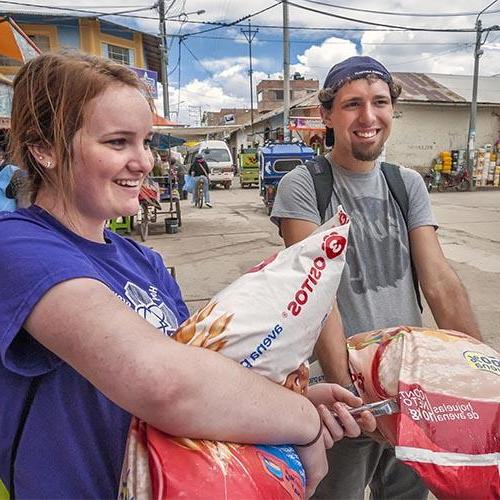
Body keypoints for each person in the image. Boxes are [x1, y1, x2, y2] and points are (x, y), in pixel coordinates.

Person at [0, 52, 377, 499]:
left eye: (145, 142)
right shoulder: (17, 246)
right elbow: (165, 384)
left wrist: (291, 401)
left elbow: (205, 373)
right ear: (44, 148)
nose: (143, 162)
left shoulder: (144, 262)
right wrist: (304, 423)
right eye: (118, 142)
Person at [271, 56, 481, 500]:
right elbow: (316, 294)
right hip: (343, 396)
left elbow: (439, 280)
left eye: (380, 102)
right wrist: (351, 393)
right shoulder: (305, 185)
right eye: (352, 104)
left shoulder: (407, 184)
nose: (368, 117)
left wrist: (480, 374)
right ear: (328, 115)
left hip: (410, 389)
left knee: (408, 494)